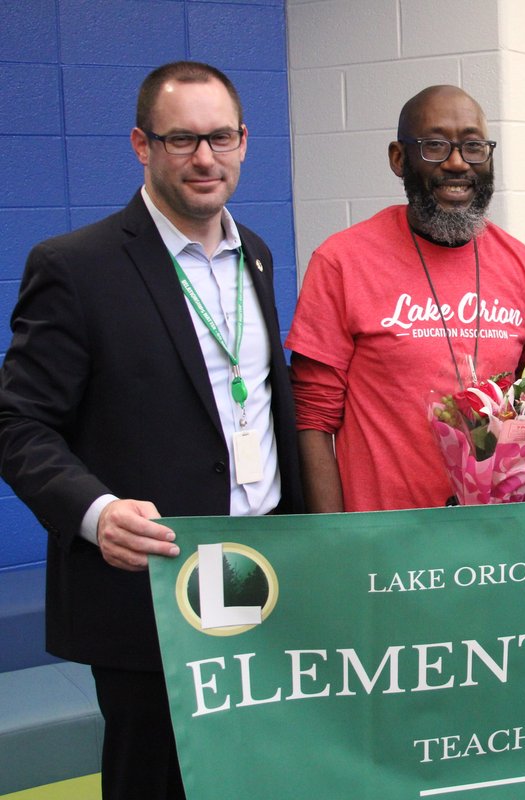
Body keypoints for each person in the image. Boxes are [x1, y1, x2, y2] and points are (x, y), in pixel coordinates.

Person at [0, 61, 304, 798]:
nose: (205, 158)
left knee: (250, 771)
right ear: (142, 144)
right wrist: (94, 512)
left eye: (221, 137)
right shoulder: (77, 267)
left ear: (244, 140)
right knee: (156, 779)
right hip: (152, 582)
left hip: (257, 571)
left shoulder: (254, 254)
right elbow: (19, 422)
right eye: (182, 139)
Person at [287, 86, 525, 512]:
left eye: (473, 146)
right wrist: (334, 542)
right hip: (383, 548)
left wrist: (523, 513)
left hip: (496, 542)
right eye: (434, 146)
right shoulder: (342, 262)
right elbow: (312, 418)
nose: (456, 163)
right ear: (399, 158)